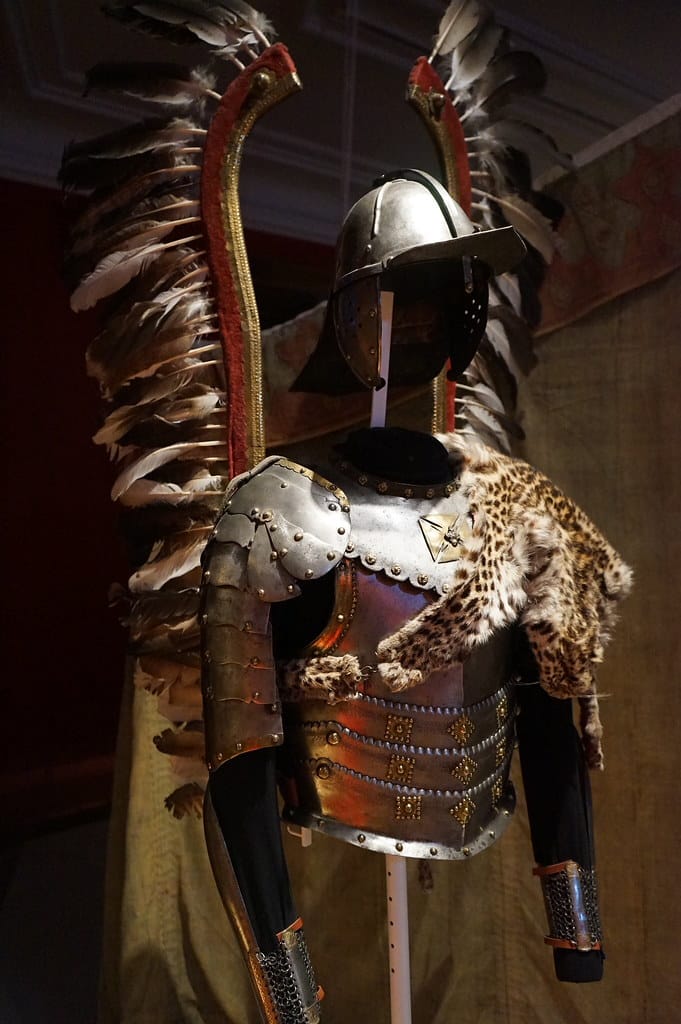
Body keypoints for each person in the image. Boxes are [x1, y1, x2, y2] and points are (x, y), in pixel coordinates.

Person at [200, 171, 631, 1023]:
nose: (428, 314)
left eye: (445, 293)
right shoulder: (280, 512)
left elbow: (549, 725)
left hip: (474, 814)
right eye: (408, 293)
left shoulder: (517, 513)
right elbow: (239, 764)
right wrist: (288, 997)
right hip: (341, 812)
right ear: (363, 310)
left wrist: (574, 931)